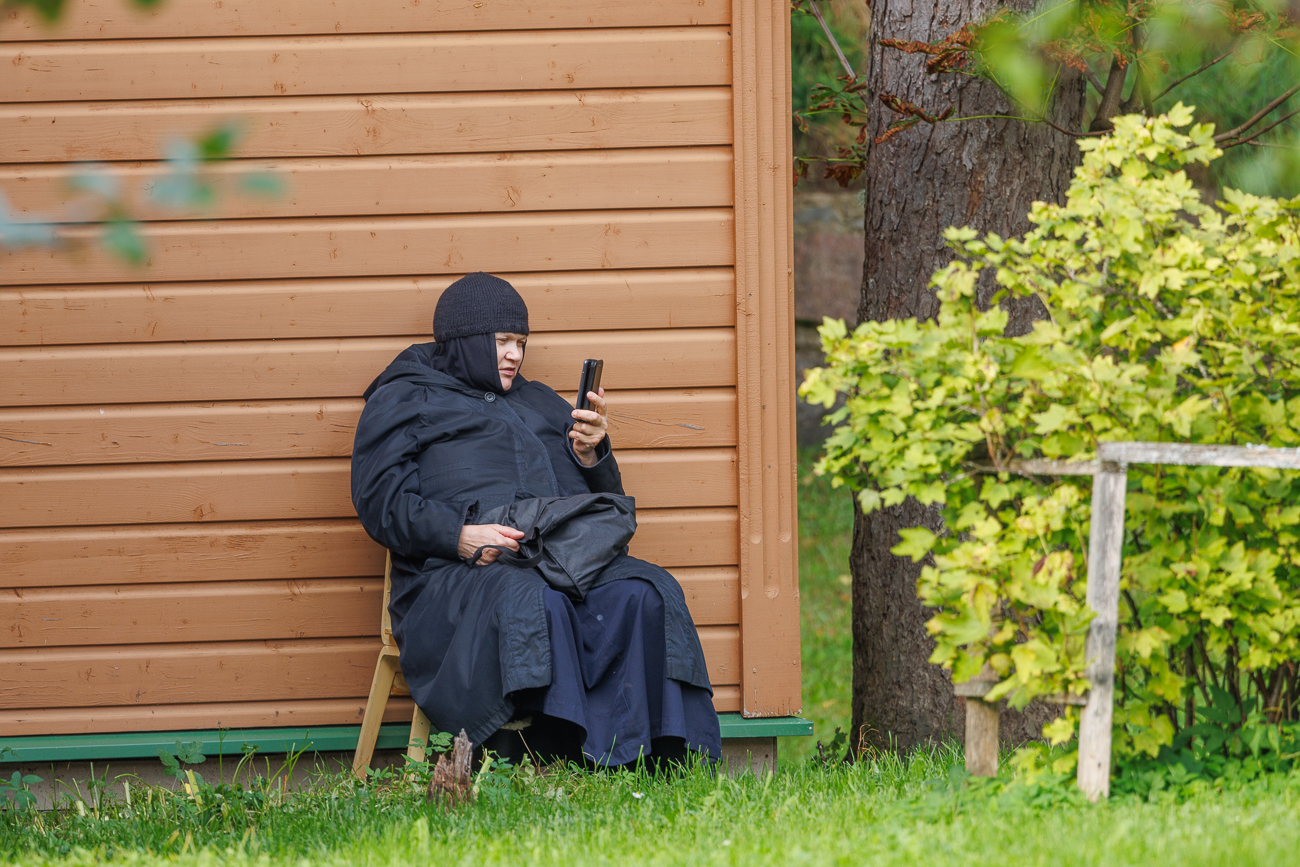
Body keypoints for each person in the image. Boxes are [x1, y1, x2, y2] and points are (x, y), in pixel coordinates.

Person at [350, 272, 721, 769]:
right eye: (502, 341)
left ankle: (653, 756)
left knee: (647, 590)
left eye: (521, 343)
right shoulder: (406, 398)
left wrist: (593, 454)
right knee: (532, 599)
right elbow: (380, 502)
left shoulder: (539, 401)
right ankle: (549, 756)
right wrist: (458, 537)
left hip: (558, 557)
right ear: (465, 340)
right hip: (457, 573)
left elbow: (598, 503)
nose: (515, 356)